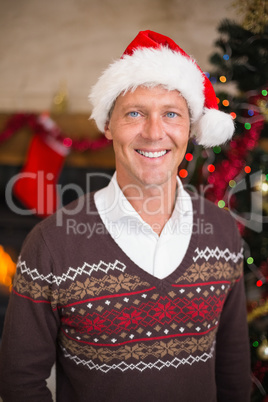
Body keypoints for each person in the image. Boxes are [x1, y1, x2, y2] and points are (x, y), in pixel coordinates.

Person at [0, 30, 251, 401]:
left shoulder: (222, 231)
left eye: (171, 114)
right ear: (107, 125)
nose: (154, 132)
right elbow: (19, 383)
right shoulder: (51, 243)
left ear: (190, 129)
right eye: (135, 113)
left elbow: (233, 374)